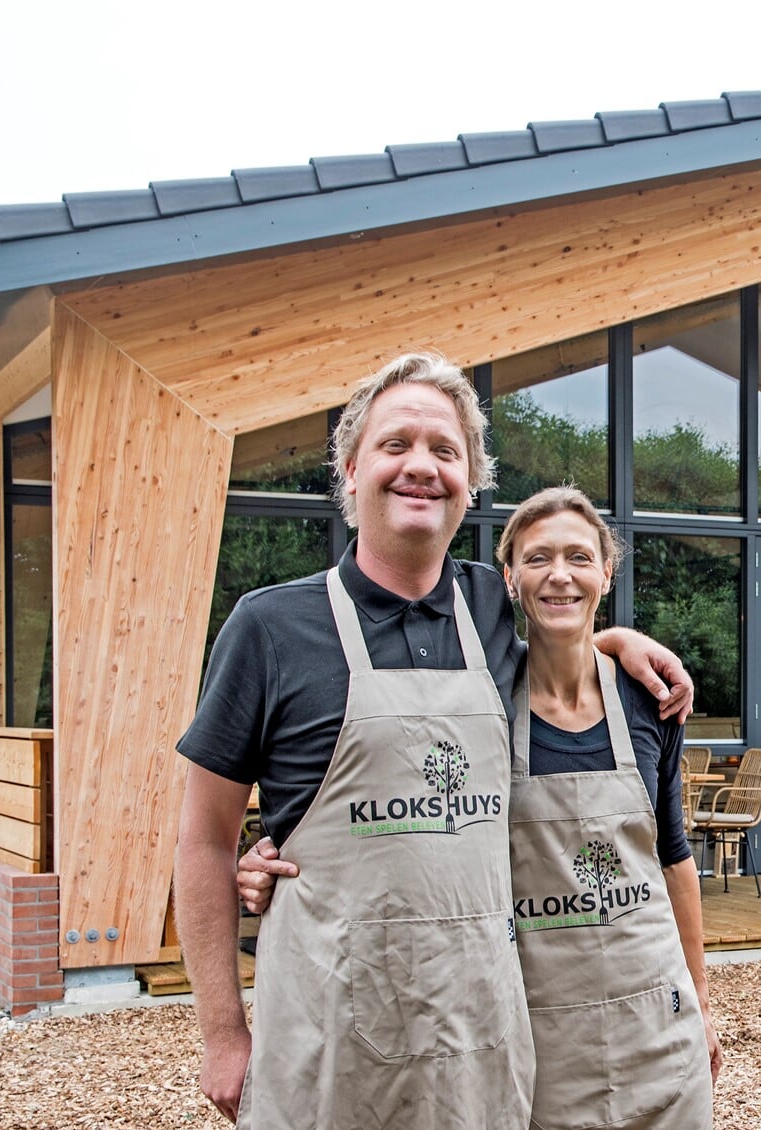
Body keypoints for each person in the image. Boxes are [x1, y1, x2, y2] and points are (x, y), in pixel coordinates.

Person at [174, 353, 694, 1127]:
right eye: (395, 445)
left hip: (479, 1051)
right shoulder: (270, 626)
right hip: (326, 1043)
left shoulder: (490, 607)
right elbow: (204, 840)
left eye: (445, 451)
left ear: (470, 483)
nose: (421, 466)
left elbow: (563, 638)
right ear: (351, 472)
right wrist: (222, 1032)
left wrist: (619, 640)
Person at [240, 486, 719, 1127]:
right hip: (539, 1034)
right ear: (510, 580)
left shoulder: (647, 699)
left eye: (580, 557)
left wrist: (702, 1006)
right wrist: (296, 850)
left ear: (608, 570)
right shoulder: (484, 693)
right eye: (538, 558)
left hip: (661, 1027)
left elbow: (674, 861)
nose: (560, 574)